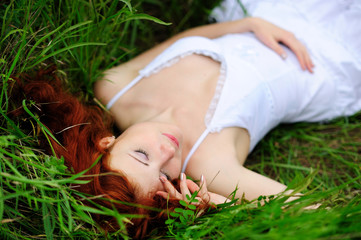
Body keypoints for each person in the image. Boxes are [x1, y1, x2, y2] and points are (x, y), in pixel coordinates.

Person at [10, 0, 361, 238]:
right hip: (322, 57)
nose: (166, 152)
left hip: (263, 16)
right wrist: (212, 202)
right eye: (164, 176)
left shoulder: (114, 89)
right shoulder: (210, 161)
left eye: (141, 155)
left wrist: (248, 24)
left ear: (107, 142)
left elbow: (183, 39)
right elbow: (312, 211)